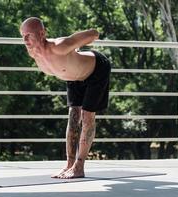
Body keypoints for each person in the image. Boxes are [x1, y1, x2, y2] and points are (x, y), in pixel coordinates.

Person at [19, 17, 111, 179]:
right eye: (23, 35)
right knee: (73, 117)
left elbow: (94, 34)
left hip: (97, 70)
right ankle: (69, 164)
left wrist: (74, 43)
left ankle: (79, 166)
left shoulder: (59, 46)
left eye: (29, 35)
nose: (25, 40)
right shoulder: (32, 51)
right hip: (74, 77)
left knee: (87, 116)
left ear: (42, 33)